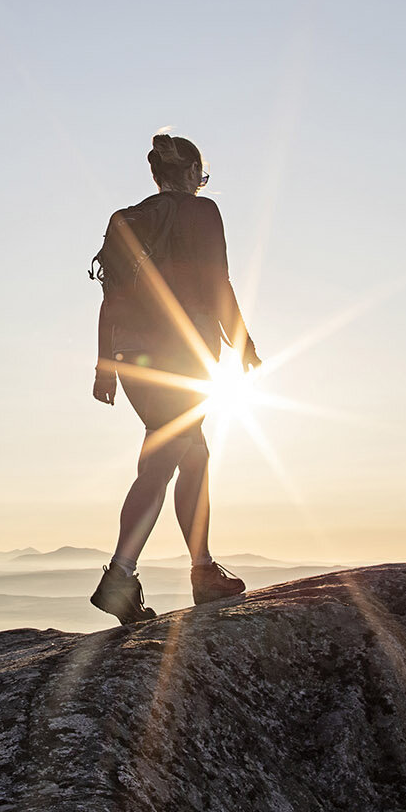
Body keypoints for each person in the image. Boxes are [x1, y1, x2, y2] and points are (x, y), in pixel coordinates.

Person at [89, 133, 261, 624]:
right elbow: (217, 280)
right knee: (162, 460)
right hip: (183, 354)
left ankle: (202, 571)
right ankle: (120, 576)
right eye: (201, 176)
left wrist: (105, 364)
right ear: (189, 175)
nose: (201, 185)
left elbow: (111, 296)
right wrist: (243, 342)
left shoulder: (125, 220)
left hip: (132, 357)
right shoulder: (201, 213)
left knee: (193, 454)